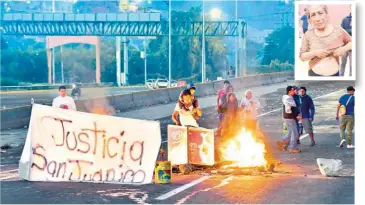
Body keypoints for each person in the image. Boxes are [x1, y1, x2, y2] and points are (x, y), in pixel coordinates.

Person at [300, 5, 352, 77]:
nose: (317, 18)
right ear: (310, 20)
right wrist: (315, 53)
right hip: (314, 75)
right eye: (313, 15)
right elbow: (302, 56)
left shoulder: (338, 31)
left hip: (335, 75)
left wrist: (344, 48)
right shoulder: (308, 35)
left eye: (320, 13)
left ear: (326, 15)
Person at [277, 86, 302, 153]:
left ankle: (281, 141)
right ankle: (292, 148)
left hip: (287, 117)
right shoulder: (289, 98)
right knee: (295, 133)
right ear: (290, 91)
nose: (294, 91)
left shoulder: (286, 97)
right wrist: (297, 115)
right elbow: (293, 107)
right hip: (290, 117)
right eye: (293, 90)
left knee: (290, 132)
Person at [340, 10, 352, 77]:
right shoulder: (345, 19)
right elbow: (341, 31)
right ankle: (341, 77)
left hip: (353, 47)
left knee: (352, 65)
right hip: (344, 45)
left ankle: (351, 77)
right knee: (342, 63)